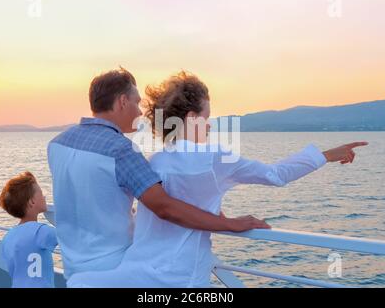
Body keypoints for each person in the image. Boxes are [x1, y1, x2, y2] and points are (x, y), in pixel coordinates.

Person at [67, 71, 368, 287]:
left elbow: (182, 201)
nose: (209, 125)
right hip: (181, 276)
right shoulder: (215, 159)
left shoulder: (154, 161)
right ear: (190, 118)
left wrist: (216, 211)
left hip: (138, 269)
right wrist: (326, 155)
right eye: (206, 116)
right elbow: (276, 175)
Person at [47, 68, 268, 281]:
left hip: (73, 267)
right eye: (137, 102)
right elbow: (164, 207)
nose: (140, 112)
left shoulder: (57, 144)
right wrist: (230, 224)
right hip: (114, 266)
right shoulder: (121, 151)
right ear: (123, 101)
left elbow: (91, 193)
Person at [0, 171, 58, 288]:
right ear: (32, 202)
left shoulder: (8, 237)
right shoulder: (40, 231)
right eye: (41, 193)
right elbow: (69, 235)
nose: (44, 196)